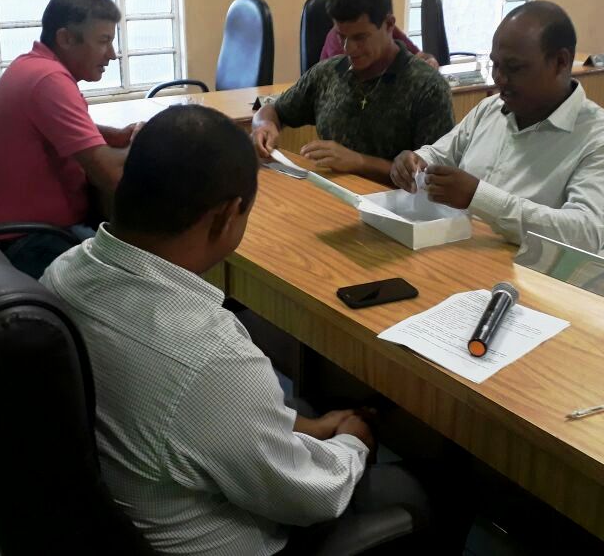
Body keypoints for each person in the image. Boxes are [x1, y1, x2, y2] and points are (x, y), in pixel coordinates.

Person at [41, 105, 432, 554]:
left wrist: (309, 427)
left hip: (121, 506)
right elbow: (315, 497)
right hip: (225, 540)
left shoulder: (61, 273)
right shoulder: (210, 356)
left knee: (299, 410)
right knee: (422, 490)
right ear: (228, 216)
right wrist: (353, 442)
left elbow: (203, 415)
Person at [391, 1, 604, 253]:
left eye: (514, 68)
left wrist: (479, 198)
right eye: (495, 64)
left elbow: (585, 234)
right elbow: (440, 154)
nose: (499, 78)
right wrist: (415, 161)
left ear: (560, 62)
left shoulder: (602, 140)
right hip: (461, 255)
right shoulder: (491, 108)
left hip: (527, 272)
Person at [0, 0, 139, 278]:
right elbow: (111, 176)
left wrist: (114, 136)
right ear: (66, 38)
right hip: (24, 242)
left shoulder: (32, 66)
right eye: (104, 41)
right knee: (136, 275)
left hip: (17, 230)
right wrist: (145, 143)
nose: (112, 54)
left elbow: (56, 130)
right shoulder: (50, 81)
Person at [252, 0, 454, 182]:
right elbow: (273, 110)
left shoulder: (427, 87)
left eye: (360, 38)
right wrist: (264, 125)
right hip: (331, 196)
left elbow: (435, 178)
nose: (349, 48)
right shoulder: (327, 73)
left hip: (394, 202)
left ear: (389, 25)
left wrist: (360, 162)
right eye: (341, 37)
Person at [319, 22, 439, 69]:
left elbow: (418, 55)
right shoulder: (340, 37)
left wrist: (429, 60)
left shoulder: (384, 27)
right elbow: (349, 81)